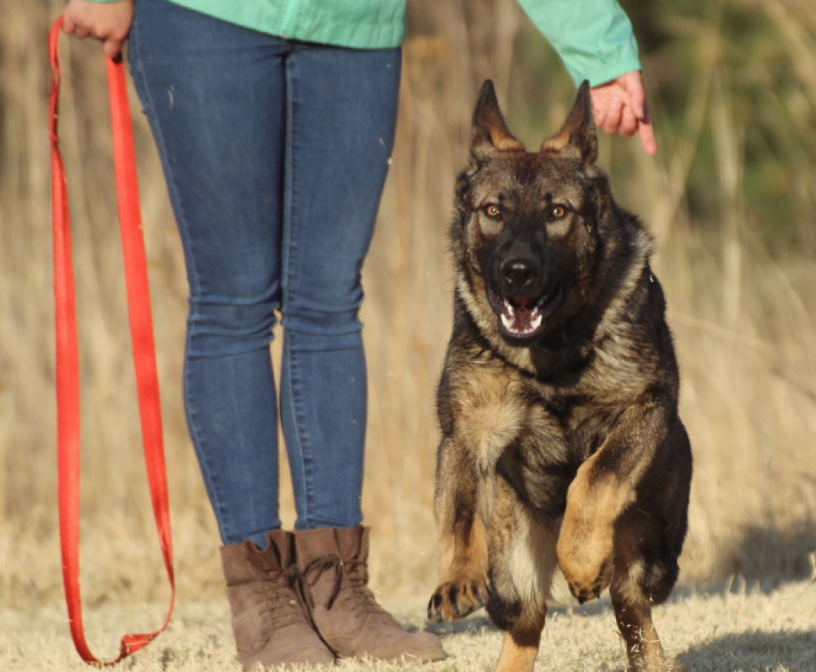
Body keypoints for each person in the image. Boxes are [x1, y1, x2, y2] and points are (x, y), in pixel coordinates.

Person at [61, 0, 657, 668]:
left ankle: (336, 586)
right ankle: (263, 598)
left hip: (352, 26)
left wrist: (600, 49)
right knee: (233, 303)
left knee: (327, 303)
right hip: (207, 18)